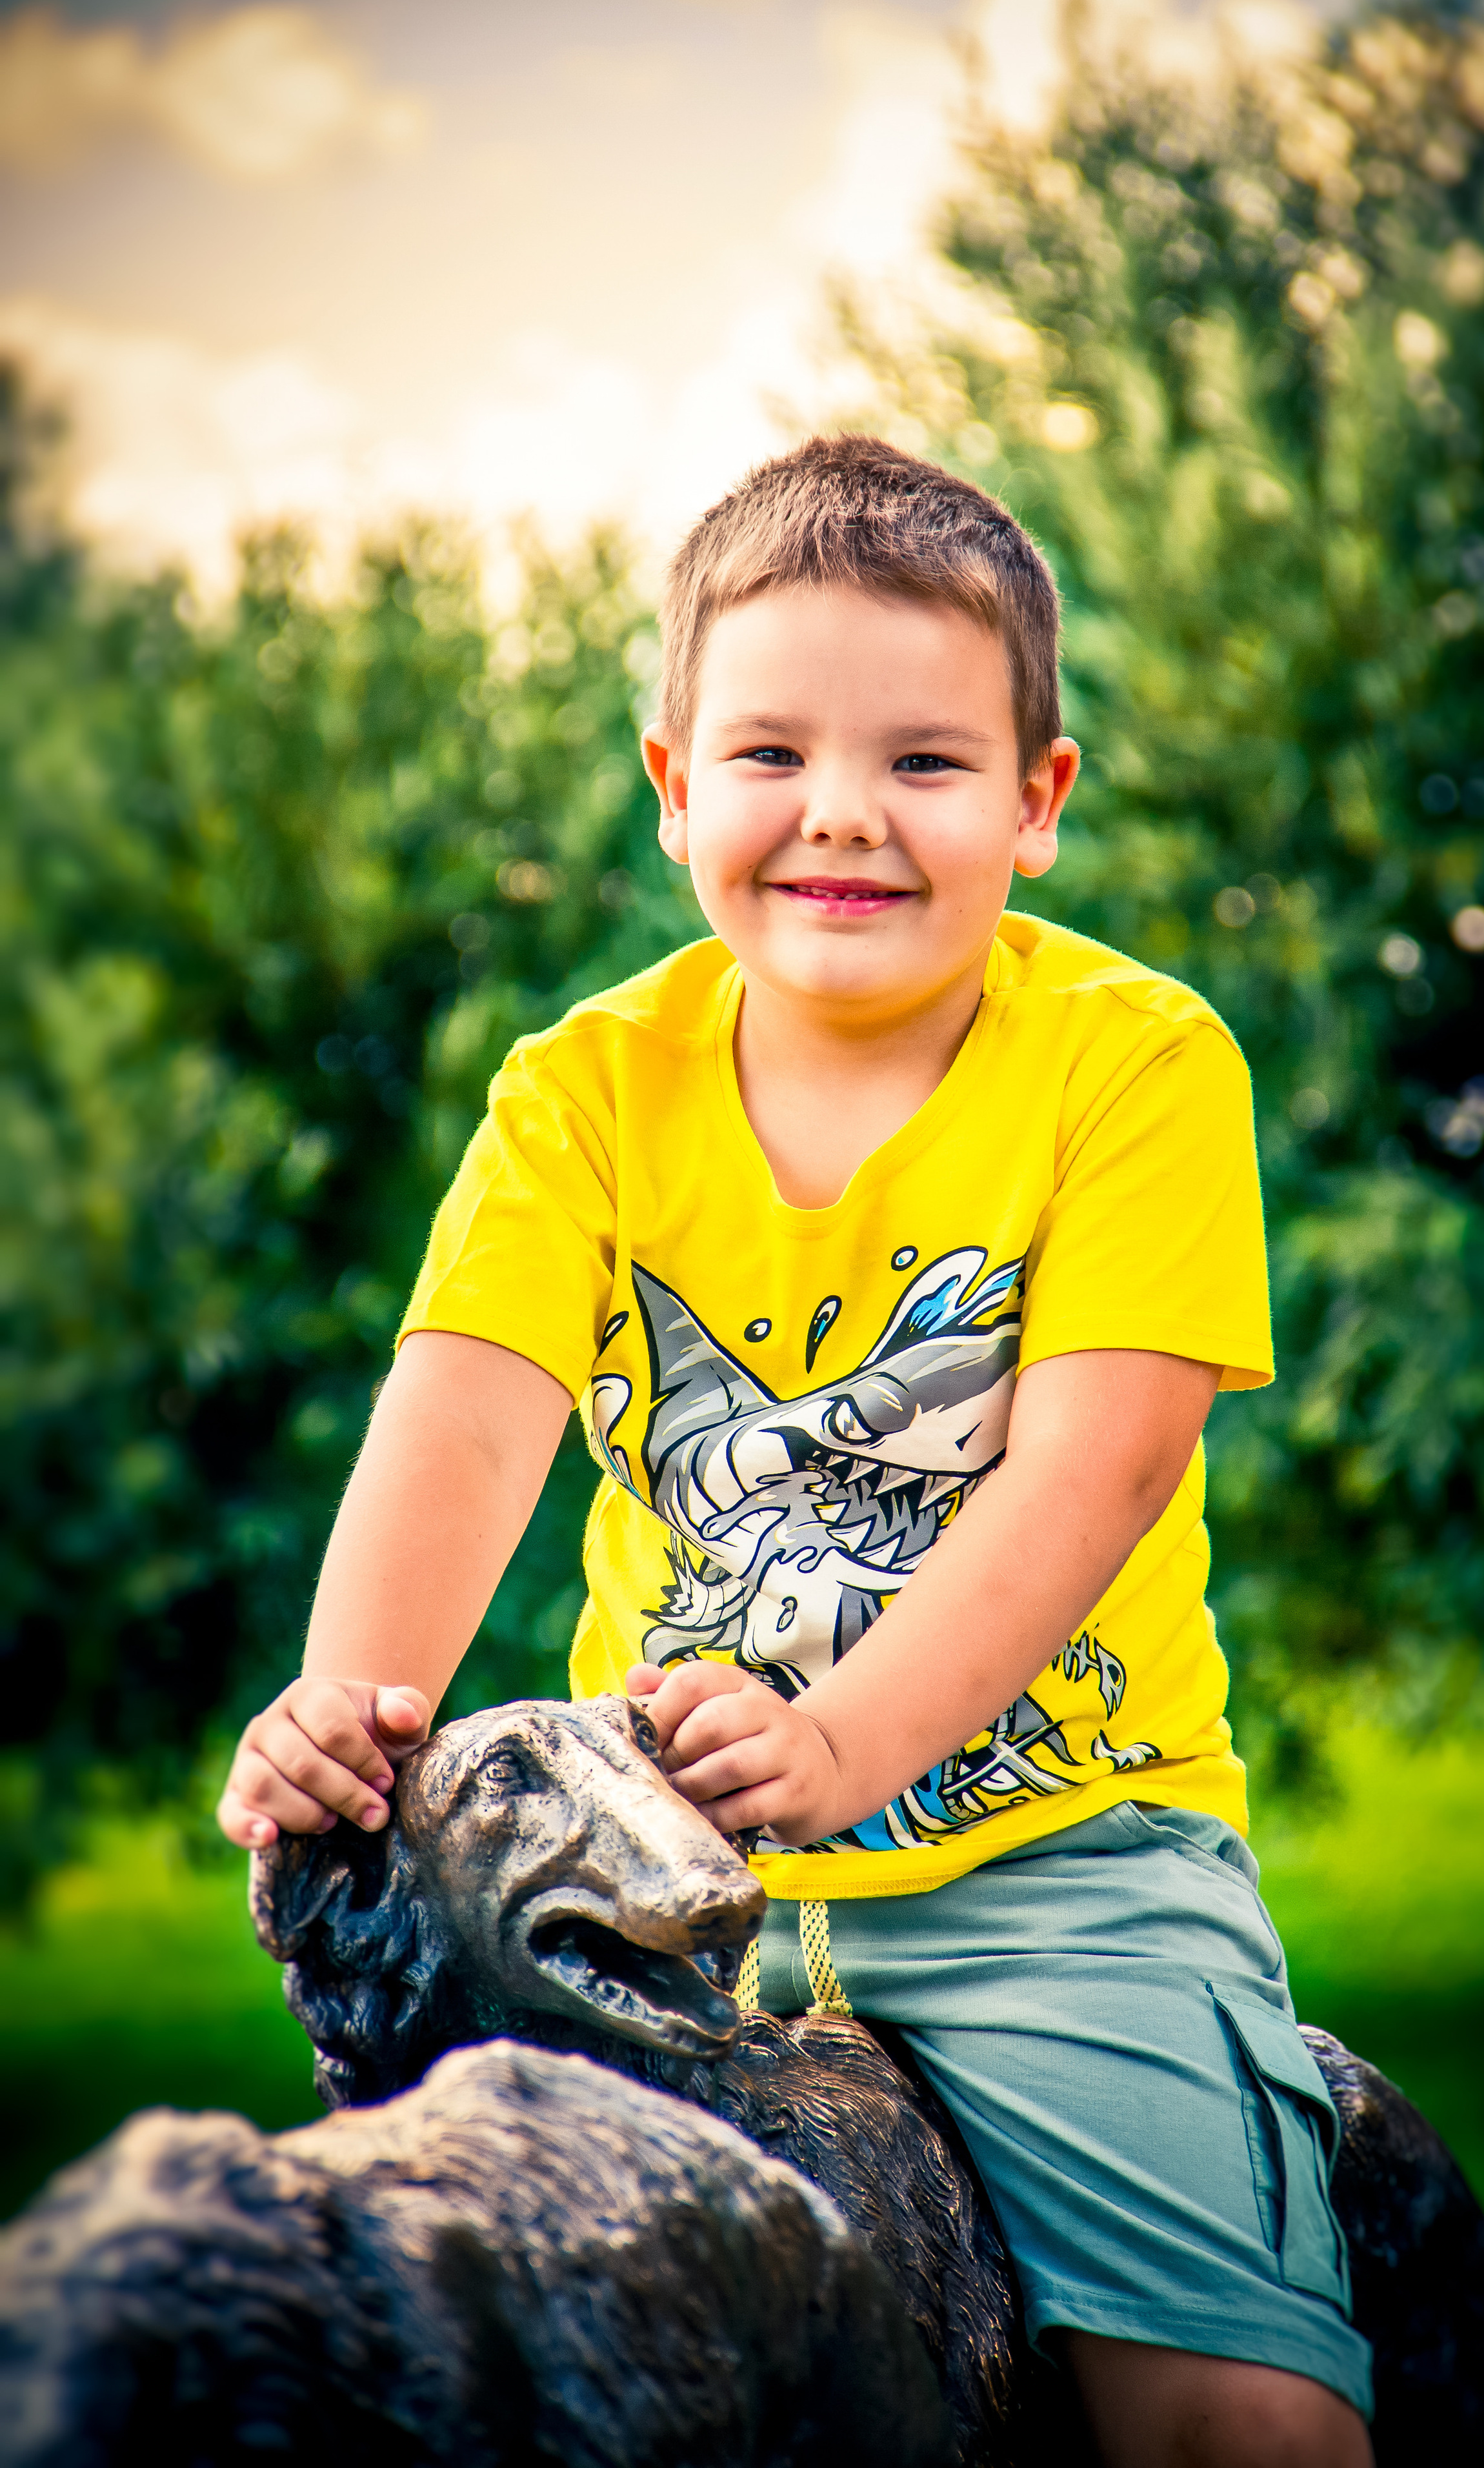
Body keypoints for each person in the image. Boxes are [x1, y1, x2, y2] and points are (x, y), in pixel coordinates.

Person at [218, 435, 1374, 2466]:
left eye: (928, 763)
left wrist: (844, 1751)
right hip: (648, 1879)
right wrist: (355, 1712)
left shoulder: (1138, 1066)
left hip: (1053, 1870)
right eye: (771, 756)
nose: (843, 813)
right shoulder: (584, 1089)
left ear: (1039, 802)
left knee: (1235, 2424)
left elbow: (1087, 1477)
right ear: (674, 787)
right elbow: (466, 1407)